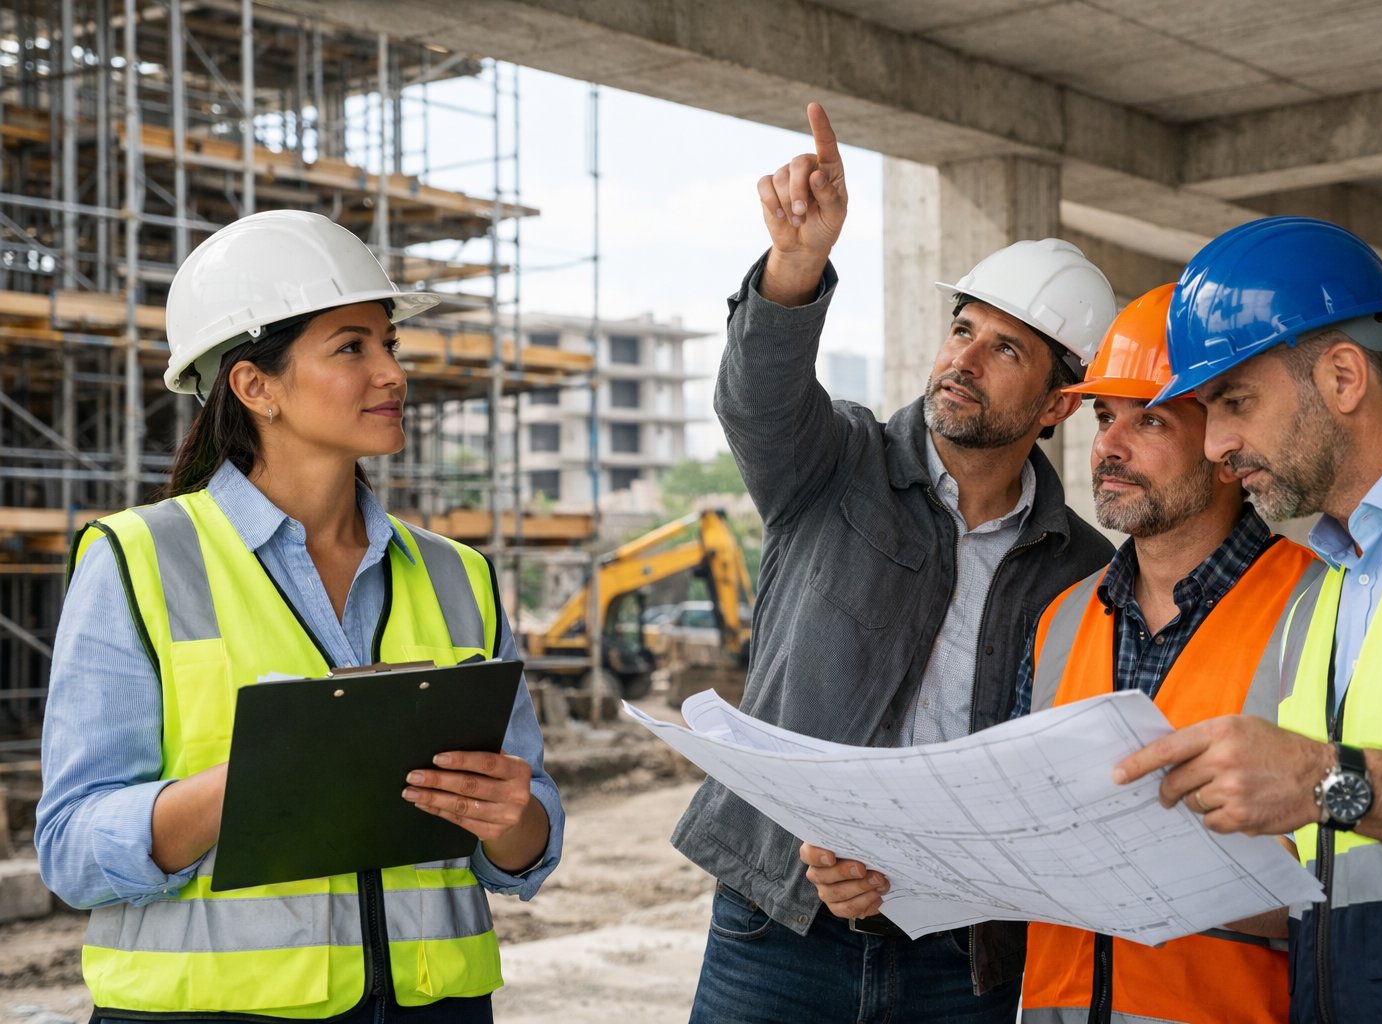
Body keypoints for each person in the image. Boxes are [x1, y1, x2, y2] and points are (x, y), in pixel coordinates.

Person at [35, 210, 564, 1023]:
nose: (392, 373)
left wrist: (511, 817)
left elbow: (525, 845)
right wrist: (247, 783)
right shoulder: (139, 559)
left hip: (438, 1009)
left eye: (390, 344)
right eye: (352, 348)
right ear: (256, 387)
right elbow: (72, 849)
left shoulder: (459, 575)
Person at [673, 101, 1116, 1023]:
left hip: (958, 962)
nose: (965, 359)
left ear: (1058, 405)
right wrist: (796, 265)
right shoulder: (837, 463)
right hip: (777, 931)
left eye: (1006, 348)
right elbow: (756, 400)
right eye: (963, 329)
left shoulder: (1083, 567)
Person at [1114, 216, 1382, 1022]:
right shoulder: (1323, 594)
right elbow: (1340, 875)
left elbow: (1337, 788)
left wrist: (1326, 779)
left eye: (1235, 402)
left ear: (1344, 376)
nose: (1216, 445)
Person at [1013, 284, 1318, 1024]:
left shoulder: (1319, 609)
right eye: (1104, 418)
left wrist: (1147, 872)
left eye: (1149, 419)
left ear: (1225, 447)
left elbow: (1359, 873)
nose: (1109, 448)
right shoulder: (1060, 620)